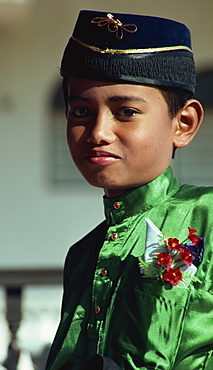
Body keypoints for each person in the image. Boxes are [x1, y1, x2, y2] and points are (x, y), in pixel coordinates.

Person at [45, 10, 213, 370]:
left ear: (183, 124)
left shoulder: (207, 216)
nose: (98, 132)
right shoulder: (83, 255)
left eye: (125, 112)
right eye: (80, 111)